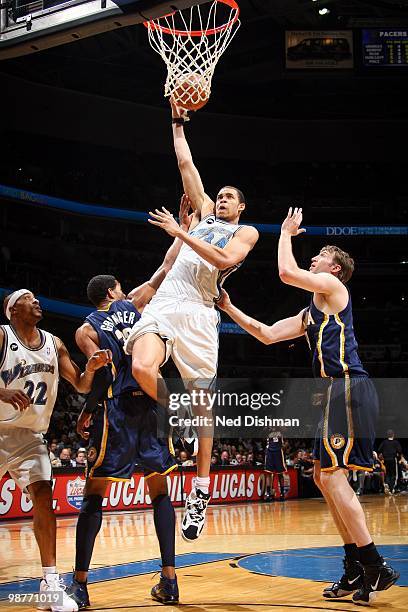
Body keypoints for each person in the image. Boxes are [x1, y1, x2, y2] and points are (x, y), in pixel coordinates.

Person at [217, 208, 399, 606]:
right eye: (311, 255)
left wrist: (285, 234)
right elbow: (265, 335)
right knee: (322, 478)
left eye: (318, 257)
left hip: (348, 386)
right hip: (333, 393)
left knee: (333, 479)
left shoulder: (335, 291)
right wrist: (228, 307)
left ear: (334, 269)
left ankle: (375, 564)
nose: (313, 259)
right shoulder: (310, 312)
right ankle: (354, 565)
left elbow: (285, 273)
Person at [124, 100, 259, 542]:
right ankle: (171, 412)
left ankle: (200, 492)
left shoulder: (245, 232)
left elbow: (222, 259)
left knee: (206, 408)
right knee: (142, 366)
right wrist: (177, 121)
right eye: (217, 195)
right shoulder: (200, 213)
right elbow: (186, 160)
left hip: (201, 310)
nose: (220, 199)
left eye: (228, 198)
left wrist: (182, 232)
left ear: (240, 208)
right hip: (169, 301)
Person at [67, 201, 191, 609]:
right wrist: (181, 226)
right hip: (150, 407)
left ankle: (81, 585)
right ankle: (170, 580)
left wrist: (88, 410)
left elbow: (95, 371)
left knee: (94, 495)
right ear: (113, 291)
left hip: (116, 409)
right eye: (119, 287)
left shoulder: (85, 328)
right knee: (160, 493)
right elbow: (166, 267)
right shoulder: (134, 304)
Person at [0, 289, 111, 612]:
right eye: (27, 298)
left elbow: (80, 385)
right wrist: (3, 391)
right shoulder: (3, 337)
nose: (36, 301)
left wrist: (90, 368)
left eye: (36, 298)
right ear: (12, 311)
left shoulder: (54, 343)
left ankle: (50, 582)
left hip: (30, 435)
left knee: (44, 497)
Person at [264, 431, 286, 502]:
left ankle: (282, 494)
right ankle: (268, 494)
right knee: (268, 473)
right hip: (269, 452)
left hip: (278, 452)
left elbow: (284, 444)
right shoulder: (267, 430)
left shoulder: (280, 430)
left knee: (280, 474)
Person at [378, 430, 402, 495]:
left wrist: (382, 457)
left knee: (387, 474)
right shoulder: (396, 442)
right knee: (394, 475)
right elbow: (399, 451)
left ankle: (387, 485)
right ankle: (392, 489)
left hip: (386, 460)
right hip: (393, 460)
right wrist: (398, 456)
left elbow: (379, 450)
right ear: (393, 435)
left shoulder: (384, 442)